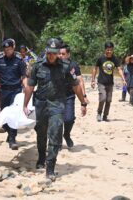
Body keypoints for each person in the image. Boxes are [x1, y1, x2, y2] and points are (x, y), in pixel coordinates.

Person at [23, 38, 87, 181]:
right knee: (41, 133)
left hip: (57, 104)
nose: (51, 55)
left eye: (54, 53)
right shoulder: (37, 66)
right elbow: (30, 85)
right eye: (49, 52)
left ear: (58, 53)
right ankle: (41, 157)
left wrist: (83, 101)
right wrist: (25, 104)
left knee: (55, 133)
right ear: (46, 51)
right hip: (41, 104)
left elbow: (76, 85)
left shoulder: (65, 67)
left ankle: (50, 167)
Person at [0, 38, 27, 150]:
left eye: (9, 49)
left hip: (16, 91)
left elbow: (24, 76)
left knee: (14, 114)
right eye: (6, 49)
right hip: (3, 91)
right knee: (5, 113)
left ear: (13, 48)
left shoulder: (19, 60)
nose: (7, 51)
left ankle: (12, 139)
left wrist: (26, 89)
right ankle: (9, 132)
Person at [58, 44, 88, 148]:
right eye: (59, 53)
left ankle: (66, 135)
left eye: (63, 54)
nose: (61, 56)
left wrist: (83, 97)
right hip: (56, 96)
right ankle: (57, 142)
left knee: (69, 119)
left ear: (68, 54)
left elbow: (79, 81)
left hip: (69, 96)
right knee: (56, 120)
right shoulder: (54, 64)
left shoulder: (73, 66)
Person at [91, 41, 126, 122]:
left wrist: (123, 79)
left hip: (110, 83)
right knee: (102, 98)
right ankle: (99, 113)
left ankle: (105, 116)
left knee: (108, 100)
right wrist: (93, 80)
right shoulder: (100, 58)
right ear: (105, 50)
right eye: (107, 49)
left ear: (113, 50)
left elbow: (119, 69)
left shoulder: (115, 59)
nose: (109, 51)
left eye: (111, 50)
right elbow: (95, 68)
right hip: (101, 82)